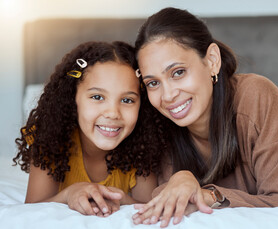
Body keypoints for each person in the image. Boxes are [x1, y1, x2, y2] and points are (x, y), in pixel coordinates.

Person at [131, 7, 278, 227]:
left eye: (178, 72)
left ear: (212, 60)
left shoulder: (257, 93)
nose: (167, 96)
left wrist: (209, 195)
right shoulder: (159, 121)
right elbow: (164, 193)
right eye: (153, 83)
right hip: (267, 128)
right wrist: (181, 178)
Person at [13, 41, 164, 217]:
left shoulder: (142, 147)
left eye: (127, 100)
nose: (113, 113)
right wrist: (69, 194)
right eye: (97, 97)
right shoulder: (51, 139)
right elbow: (32, 208)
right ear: (72, 99)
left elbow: (147, 206)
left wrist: (122, 199)